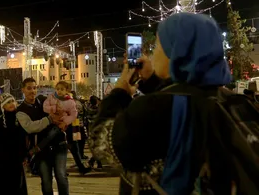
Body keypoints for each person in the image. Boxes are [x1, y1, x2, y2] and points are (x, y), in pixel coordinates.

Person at [89, 13, 232, 194]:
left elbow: (100, 141)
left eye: (158, 45)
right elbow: (180, 96)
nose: (153, 53)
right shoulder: (230, 101)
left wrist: (120, 91)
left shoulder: (154, 108)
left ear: (175, 51)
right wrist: (152, 81)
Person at [16, 78, 68, 195]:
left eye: (34, 88)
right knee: (46, 181)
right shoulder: (20, 111)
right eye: (29, 88)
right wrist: (49, 119)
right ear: (23, 90)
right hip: (41, 149)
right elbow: (31, 127)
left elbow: (61, 109)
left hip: (58, 144)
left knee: (61, 176)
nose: (32, 91)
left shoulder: (44, 101)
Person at [0, 93, 28, 194]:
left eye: (12, 101)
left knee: (17, 185)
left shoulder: (21, 119)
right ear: (3, 106)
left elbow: (24, 139)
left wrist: (24, 155)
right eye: (8, 102)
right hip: (2, 159)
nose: (11, 104)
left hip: (17, 158)